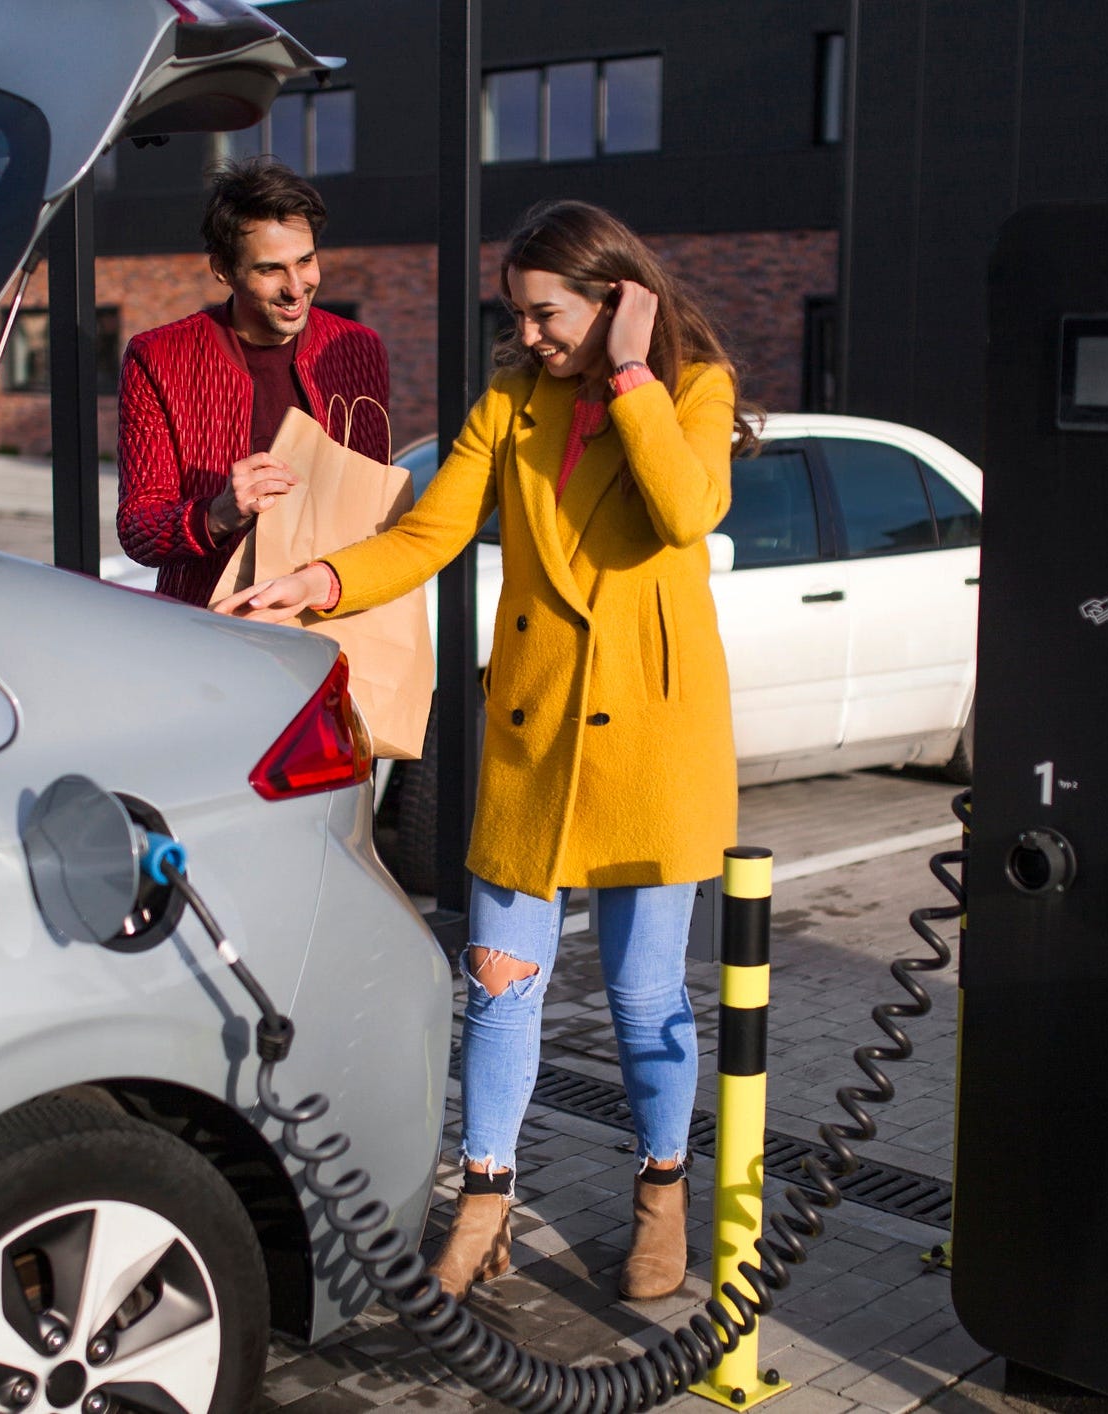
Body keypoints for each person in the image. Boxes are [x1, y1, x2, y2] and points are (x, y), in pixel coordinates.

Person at [215, 199, 758, 1304]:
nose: (529, 334)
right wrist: (320, 580)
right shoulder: (512, 400)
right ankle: (484, 1199)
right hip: (534, 735)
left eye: (547, 314)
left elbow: (684, 511)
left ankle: (662, 1193)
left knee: (643, 994)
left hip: (654, 743)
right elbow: (430, 531)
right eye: (519, 314)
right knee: (499, 982)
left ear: (616, 300)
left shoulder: (694, 389)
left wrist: (632, 375)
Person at [116, 157, 390, 606]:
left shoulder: (357, 348)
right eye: (269, 269)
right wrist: (219, 513)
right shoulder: (159, 357)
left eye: (306, 261)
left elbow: (374, 502)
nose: (296, 287)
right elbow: (138, 529)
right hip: (212, 620)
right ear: (223, 269)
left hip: (331, 616)